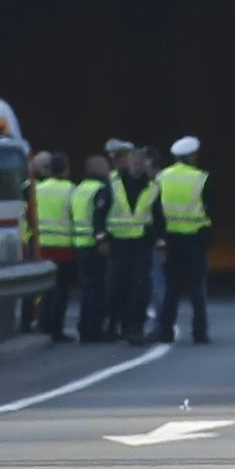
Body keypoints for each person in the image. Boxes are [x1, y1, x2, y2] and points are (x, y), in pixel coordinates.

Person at [151, 134, 213, 344]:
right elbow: (210, 208)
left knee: (171, 288)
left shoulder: (161, 177)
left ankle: (165, 331)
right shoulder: (201, 178)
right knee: (197, 288)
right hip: (194, 239)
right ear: (192, 156)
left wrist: (160, 239)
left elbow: (154, 209)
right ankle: (199, 332)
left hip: (170, 240)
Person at [99, 142, 159, 345]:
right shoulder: (113, 183)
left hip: (142, 245)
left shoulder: (153, 187)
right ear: (128, 163)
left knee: (140, 288)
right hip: (118, 244)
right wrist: (102, 238)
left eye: (142, 163)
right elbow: (99, 213)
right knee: (116, 287)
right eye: (135, 162)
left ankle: (135, 328)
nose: (138, 167)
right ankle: (113, 326)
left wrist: (160, 242)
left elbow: (159, 218)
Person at [25, 151, 85, 343]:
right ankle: (56, 330)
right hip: (64, 247)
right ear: (65, 170)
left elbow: (29, 216)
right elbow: (77, 216)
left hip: (42, 246)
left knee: (45, 291)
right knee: (61, 292)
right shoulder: (71, 189)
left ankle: (42, 325)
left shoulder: (38, 189)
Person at [69, 151, 117, 342]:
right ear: (97, 169)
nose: (108, 169)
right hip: (95, 246)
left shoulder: (79, 188)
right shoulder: (100, 189)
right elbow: (98, 217)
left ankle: (85, 328)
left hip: (80, 244)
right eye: (105, 166)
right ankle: (95, 330)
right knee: (98, 290)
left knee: (87, 289)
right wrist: (102, 239)